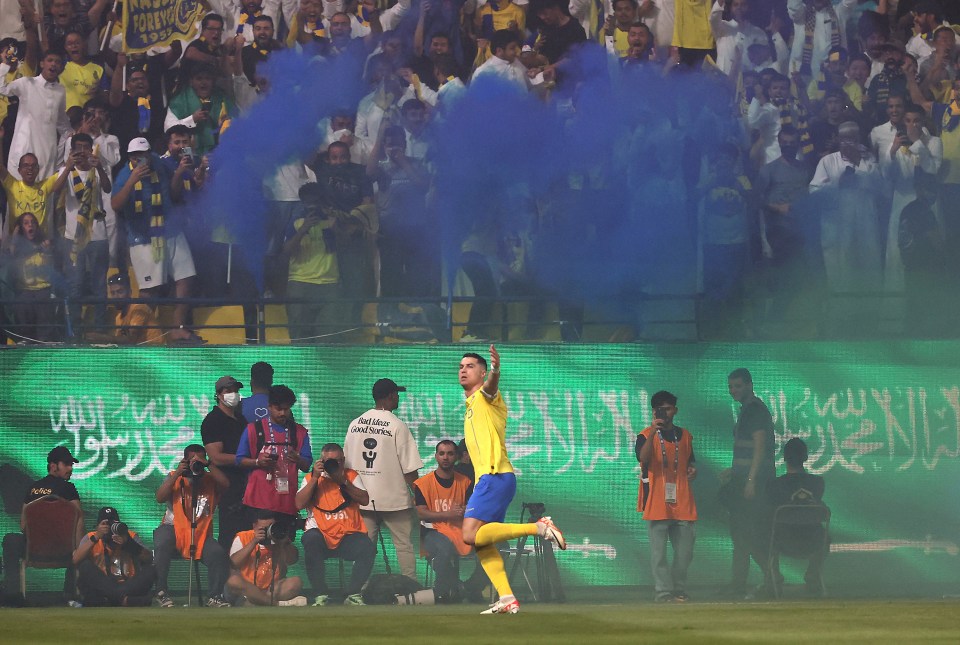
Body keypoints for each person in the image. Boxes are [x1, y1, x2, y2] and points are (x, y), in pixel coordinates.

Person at [458, 346, 566, 614]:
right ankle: (506, 597)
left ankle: (540, 528)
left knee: (469, 535)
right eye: (461, 366)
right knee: (482, 541)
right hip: (493, 479)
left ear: (482, 374)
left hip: (494, 477)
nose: (463, 369)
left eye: (470, 366)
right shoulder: (471, 404)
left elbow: (492, 387)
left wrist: (495, 370)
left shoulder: (487, 397)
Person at [112, 137, 202, 344]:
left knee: (186, 277)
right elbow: (116, 204)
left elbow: (173, 191)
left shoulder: (159, 162)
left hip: (170, 229)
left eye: (143, 154)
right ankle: (131, 332)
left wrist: (179, 172)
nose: (141, 159)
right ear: (130, 157)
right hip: (142, 237)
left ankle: (177, 327)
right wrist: (132, 180)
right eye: (136, 156)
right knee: (149, 292)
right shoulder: (125, 175)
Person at [343, 378, 422, 582]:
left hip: (363, 499)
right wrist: (418, 494)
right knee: (403, 545)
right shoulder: (397, 425)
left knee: (364, 548)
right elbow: (409, 469)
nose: (398, 398)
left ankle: (357, 590)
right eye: (396, 394)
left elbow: (346, 465)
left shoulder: (355, 424)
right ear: (389, 396)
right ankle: (410, 587)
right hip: (394, 500)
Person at [2, 446, 83, 606]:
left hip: (34, 551)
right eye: (66, 464)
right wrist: (78, 550)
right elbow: (78, 519)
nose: (70, 468)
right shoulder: (69, 488)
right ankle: (70, 594)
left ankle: (12, 595)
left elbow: (23, 525)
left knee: (10, 540)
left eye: (71, 464)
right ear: (53, 466)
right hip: (63, 550)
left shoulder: (32, 489)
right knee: (85, 541)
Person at [636, 391, 697, 602]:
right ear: (653, 412)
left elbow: (688, 462)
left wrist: (691, 470)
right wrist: (653, 432)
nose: (664, 413)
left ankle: (679, 588)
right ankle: (663, 592)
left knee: (685, 553)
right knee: (658, 554)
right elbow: (642, 459)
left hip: (683, 500)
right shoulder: (645, 435)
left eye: (668, 408)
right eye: (659, 409)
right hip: (656, 501)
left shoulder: (686, 436)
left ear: (675, 410)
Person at [153, 444, 232, 608]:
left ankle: (215, 596)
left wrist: (208, 464)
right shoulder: (174, 476)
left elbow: (226, 484)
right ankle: (161, 592)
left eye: (200, 460)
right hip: (173, 527)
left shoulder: (211, 479)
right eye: (192, 460)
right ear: (185, 460)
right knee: (161, 543)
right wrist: (178, 474)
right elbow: (160, 498)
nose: (196, 464)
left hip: (200, 532)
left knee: (217, 553)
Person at [296, 443, 374, 606]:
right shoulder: (311, 478)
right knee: (310, 539)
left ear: (343, 460)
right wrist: (316, 477)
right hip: (321, 536)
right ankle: (320, 594)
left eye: (337, 461)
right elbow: (298, 504)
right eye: (328, 461)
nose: (333, 465)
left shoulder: (351, 475)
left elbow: (365, 500)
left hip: (348, 535)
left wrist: (343, 481)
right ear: (321, 461)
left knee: (367, 546)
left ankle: (353, 593)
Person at [721, 367, 775, 599]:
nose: (733, 390)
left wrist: (751, 480)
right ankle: (739, 584)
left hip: (754, 483)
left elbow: (760, 447)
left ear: (750, 385)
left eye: (738, 386)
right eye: (731, 386)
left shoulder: (755, 410)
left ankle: (770, 577)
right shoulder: (747, 410)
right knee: (740, 534)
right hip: (744, 480)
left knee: (747, 534)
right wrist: (733, 472)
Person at [413, 440, 487, 603]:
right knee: (445, 549)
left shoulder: (466, 482)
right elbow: (420, 513)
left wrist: (466, 510)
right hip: (433, 532)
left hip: (461, 530)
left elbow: (471, 508)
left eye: (450, 453)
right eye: (442, 453)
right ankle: (445, 590)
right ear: (436, 457)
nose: (445, 457)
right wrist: (449, 514)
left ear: (456, 457)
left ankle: (469, 588)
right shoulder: (423, 483)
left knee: (499, 547)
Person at [235, 384, 313, 520]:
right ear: (269, 406)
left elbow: (306, 466)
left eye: (286, 409)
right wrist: (258, 462)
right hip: (258, 502)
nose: (283, 413)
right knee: (260, 539)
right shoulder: (253, 429)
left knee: (285, 541)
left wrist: (298, 458)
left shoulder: (300, 432)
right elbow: (239, 460)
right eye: (278, 409)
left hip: (287, 503)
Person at [765, 438, 827, 597]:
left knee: (764, 534)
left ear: (785, 458)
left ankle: (774, 579)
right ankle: (813, 576)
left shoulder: (774, 485)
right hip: (813, 542)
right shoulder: (818, 483)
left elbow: (769, 514)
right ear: (805, 458)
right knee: (826, 536)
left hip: (783, 542)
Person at [0, 48, 70, 180]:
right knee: (18, 192)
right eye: (50, 60)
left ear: (61, 67)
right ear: (42, 63)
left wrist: (71, 132)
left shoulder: (61, 91)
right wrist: (5, 65)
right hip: (24, 146)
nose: (53, 64)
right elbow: (2, 89)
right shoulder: (27, 83)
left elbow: (61, 121)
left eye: (57, 62)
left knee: (44, 194)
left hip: (47, 150)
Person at [201, 375, 251, 549]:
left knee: (247, 536)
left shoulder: (241, 420)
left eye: (236, 390)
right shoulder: (213, 420)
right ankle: (225, 575)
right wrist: (249, 461)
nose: (233, 394)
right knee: (230, 537)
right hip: (228, 488)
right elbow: (216, 457)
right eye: (228, 391)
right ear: (218, 395)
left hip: (247, 487)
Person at [73, 507, 155, 607]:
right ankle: (123, 600)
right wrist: (96, 536)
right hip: (101, 586)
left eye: (112, 524)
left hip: (128, 585)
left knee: (151, 570)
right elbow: (75, 560)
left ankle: (112, 600)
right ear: (98, 526)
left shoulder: (129, 536)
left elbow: (149, 558)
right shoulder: (92, 536)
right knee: (84, 566)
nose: (109, 528)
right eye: (105, 524)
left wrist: (128, 543)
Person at [226, 511, 307, 606]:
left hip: (271, 589)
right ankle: (277, 604)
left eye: (270, 527)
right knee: (233, 581)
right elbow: (233, 564)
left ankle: (258, 602)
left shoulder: (278, 536)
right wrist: (254, 541)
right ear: (254, 526)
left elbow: (292, 560)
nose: (267, 531)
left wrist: (285, 542)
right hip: (247, 588)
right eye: (263, 528)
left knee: (296, 582)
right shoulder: (243, 537)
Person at [84, 271, 163, 345]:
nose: (116, 297)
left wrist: (102, 338)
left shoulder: (138, 309)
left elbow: (129, 340)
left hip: (155, 353)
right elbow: (120, 341)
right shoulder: (118, 318)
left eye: (120, 292)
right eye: (113, 293)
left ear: (130, 292)